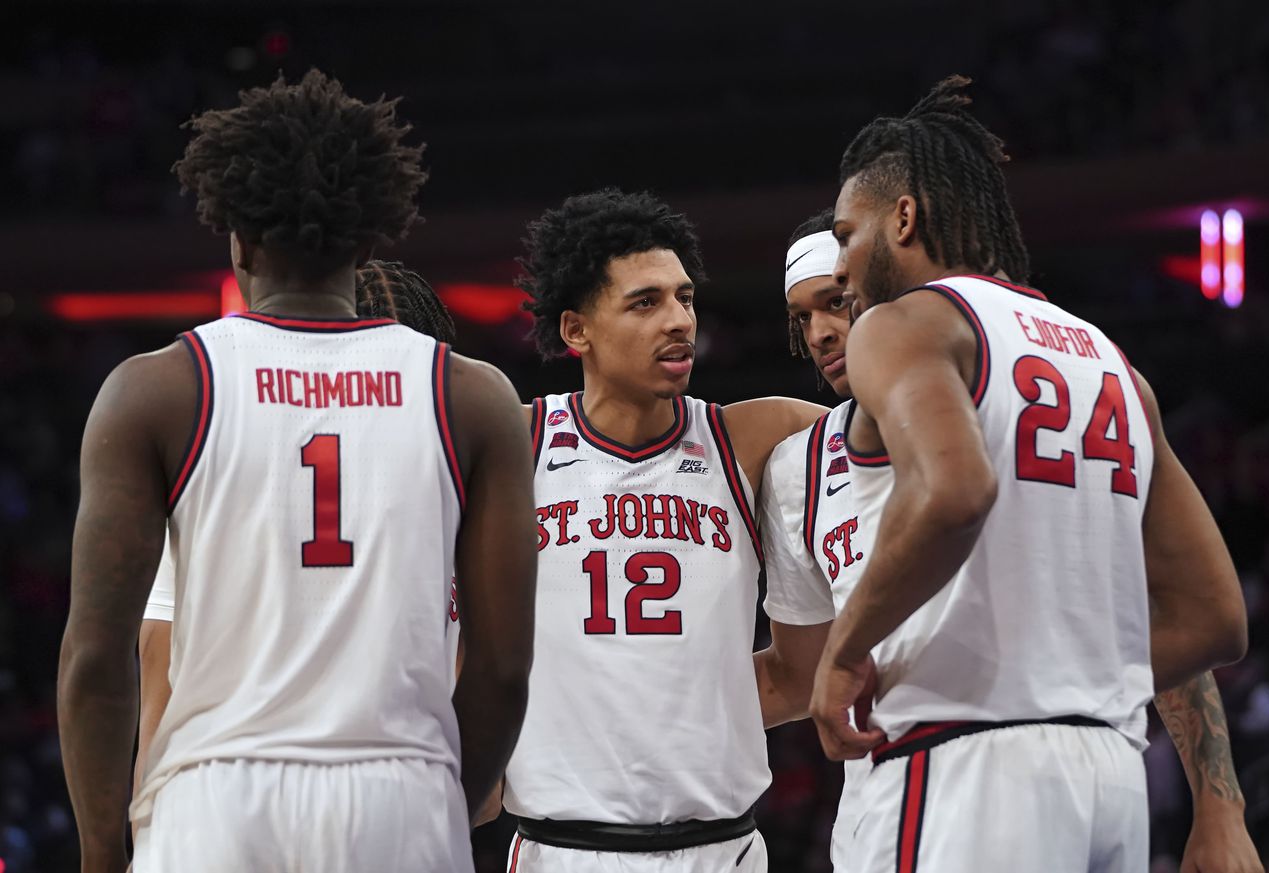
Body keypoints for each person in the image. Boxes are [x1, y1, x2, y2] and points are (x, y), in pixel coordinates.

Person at [57, 70, 536, 873]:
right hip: (400, 787)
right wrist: (440, 804)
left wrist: (104, 852)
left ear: (236, 240)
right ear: (368, 240)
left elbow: (97, 657)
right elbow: (502, 668)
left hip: (215, 796)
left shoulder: (157, 389)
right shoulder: (472, 395)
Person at [808, 76, 1250, 872]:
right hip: (1111, 778)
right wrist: (1072, 673)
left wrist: (845, 646)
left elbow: (954, 491)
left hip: (966, 768)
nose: (840, 266)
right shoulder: (1114, 363)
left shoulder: (901, 324)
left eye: (847, 233)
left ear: (903, 216)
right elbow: (1216, 616)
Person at [500, 188, 828, 872]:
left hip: (723, 845)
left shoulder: (756, 436)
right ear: (575, 330)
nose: (679, 320)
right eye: (645, 302)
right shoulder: (513, 442)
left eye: (685, 297)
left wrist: (688, 710)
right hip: (563, 848)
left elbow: (893, 417)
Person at [135, 259, 462, 798]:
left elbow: (155, 673)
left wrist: (141, 822)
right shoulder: (464, 476)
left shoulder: (216, 458)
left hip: (228, 794)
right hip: (396, 794)